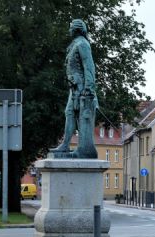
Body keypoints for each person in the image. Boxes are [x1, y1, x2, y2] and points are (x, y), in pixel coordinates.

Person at [51, 19, 98, 158]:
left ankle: (82, 148)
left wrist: (89, 88)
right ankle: (65, 145)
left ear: (77, 29)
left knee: (75, 115)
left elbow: (89, 66)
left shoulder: (83, 44)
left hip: (81, 87)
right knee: (69, 113)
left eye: (71, 28)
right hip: (75, 87)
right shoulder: (76, 44)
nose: (69, 30)